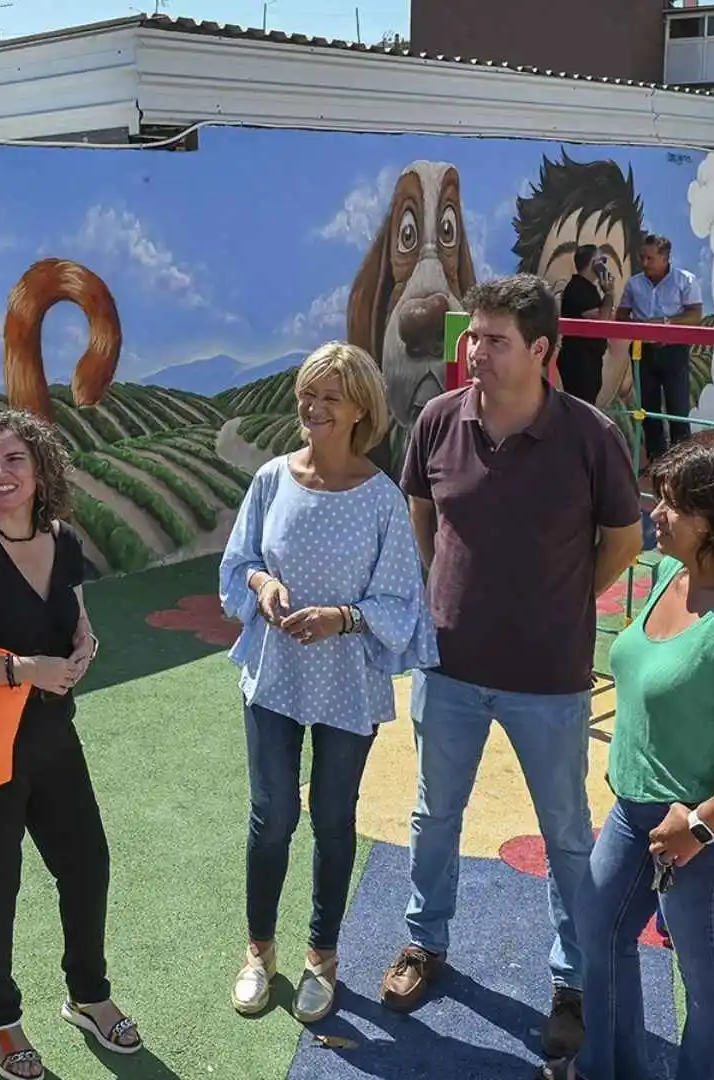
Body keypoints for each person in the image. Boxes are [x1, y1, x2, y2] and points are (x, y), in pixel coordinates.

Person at [386, 275, 643, 1059]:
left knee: (566, 833)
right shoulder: (436, 422)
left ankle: (571, 980)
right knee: (434, 816)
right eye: (473, 337)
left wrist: (563, 601)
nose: (476, 351)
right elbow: (421, 516)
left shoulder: (590, 436)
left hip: (550, 679)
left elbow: (623, 541)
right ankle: (425, 941)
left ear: (541, 349)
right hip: (450, 666)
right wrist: (448, 596)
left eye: (494, 340)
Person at [542, 439, 714, 1080]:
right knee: (598, 934)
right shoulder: (669, 577)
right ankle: (608, 1069)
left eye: (675, 504)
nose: (655, 511)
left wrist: (704, 826)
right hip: (638, 808)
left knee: (709, 981)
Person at [0, 408, 137, 1080]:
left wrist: (83, 644)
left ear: (40, 471)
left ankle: (88, 994)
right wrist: (21, 669)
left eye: (14, 460)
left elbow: (72, 613)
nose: (0, 473)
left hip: (52, 738)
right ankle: (0, 1022)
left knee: (87, 866)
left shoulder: (59, 538)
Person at [219, 341, 439, 1025]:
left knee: (334, 819)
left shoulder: (381, 499)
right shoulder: (272, 480)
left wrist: (340, 618)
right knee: (272, 817)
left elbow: (403, 602)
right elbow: (241, 560)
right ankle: (259, 952)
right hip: (276, 675)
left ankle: (322, 957)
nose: (313, 408)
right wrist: (262, 584)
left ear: (360, 411)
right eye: (308, 395)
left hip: (347, 681)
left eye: (329, 398)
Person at [617, 233, 705, 464]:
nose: (644, 263)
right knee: (648, 408)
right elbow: (621, 316)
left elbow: (695, 315)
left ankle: (683, 463)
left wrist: (665, 324)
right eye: (642, 258)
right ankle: (657, 459)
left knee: (678, 408)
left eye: (650, 258)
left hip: (674, 351)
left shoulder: (685, 280)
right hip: (643, 353)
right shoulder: (634, 284)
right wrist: (639, 329)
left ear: (665, 258)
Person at [556, 244, 616, 405]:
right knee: (582, 409)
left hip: (588, 359)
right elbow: (602, 319)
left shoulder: (588, 288)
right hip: (579, 361)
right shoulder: (578, 288)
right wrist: (609, 293)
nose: (604, 265)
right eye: (602, 260)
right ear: (594, 263)